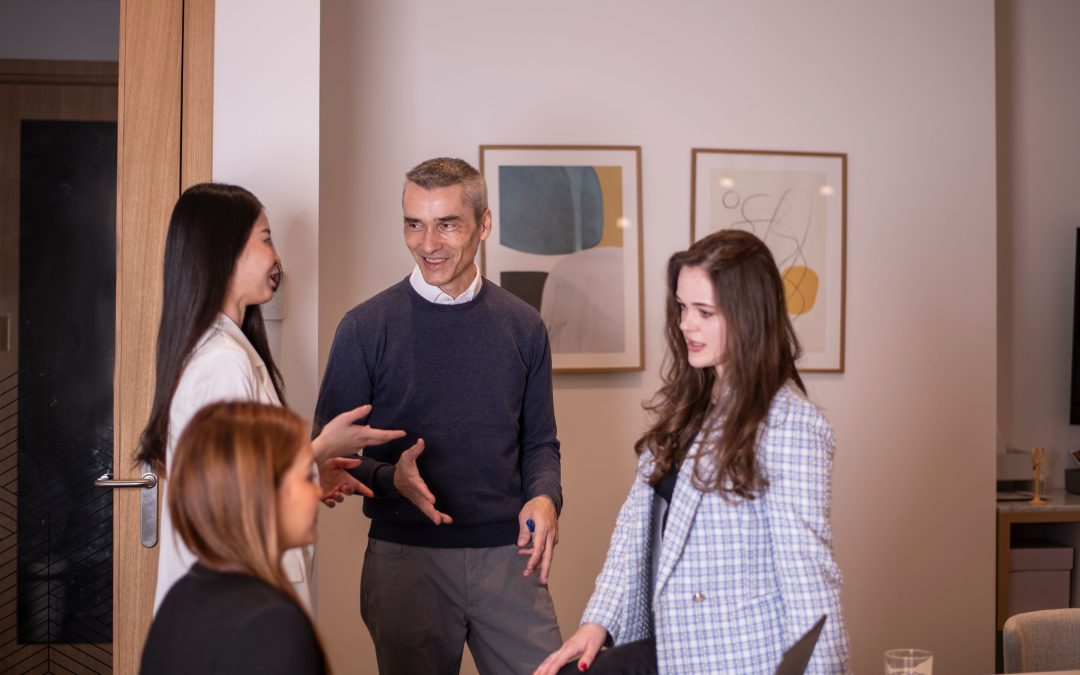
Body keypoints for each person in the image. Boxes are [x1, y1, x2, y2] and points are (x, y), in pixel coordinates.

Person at [534, 230, 850, 675]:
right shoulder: (690, 402)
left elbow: (808, 578)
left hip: (740, 658)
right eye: (683, 307)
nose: (686, 324)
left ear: (749, 316)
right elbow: (634, 531)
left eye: (705, 312)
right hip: (671, 645)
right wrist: (598, 622)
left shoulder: (790, 425)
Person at [313, 158, 562, 674]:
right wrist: (392, 480)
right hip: (405, 560)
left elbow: (540, 442)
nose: (428, 243)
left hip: (509, 558)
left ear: (484, 224)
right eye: (414, 223)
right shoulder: (364, 327)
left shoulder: (524, 326)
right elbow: (328, 454)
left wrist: (544, 495)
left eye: (447, 224)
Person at [138, 182, 405, 612]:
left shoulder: (228, 350)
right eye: (265, 240)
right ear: (223, 252)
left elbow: (247, 479)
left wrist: (314, 470)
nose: (277, 257)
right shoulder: (221, 363)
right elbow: (230, 502)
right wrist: (321, 447)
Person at [141, 402, 328, 674]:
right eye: (307, 478)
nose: (319, 493)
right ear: (262, 493)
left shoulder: (183, 595)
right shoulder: (269, 625)